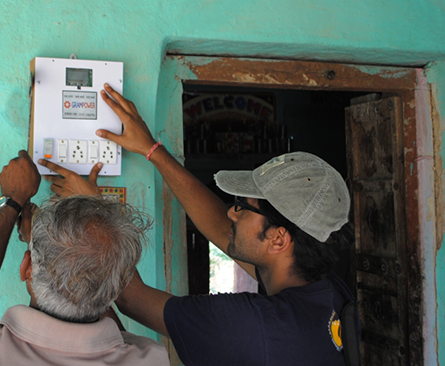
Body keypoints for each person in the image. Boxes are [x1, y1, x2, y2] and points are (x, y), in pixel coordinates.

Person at [39, 84, 359, 366]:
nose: (231, 214)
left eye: (243, 208)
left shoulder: (250, 325)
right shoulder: (325, 292)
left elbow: (130, 298)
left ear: (278, 239)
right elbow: (220, 229)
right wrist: (153, 151)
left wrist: (94, 209)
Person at [0, 150, 169, 366]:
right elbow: (116, 343)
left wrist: (14, 199)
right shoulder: (151, 359)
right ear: (115, 288)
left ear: (26, 267)